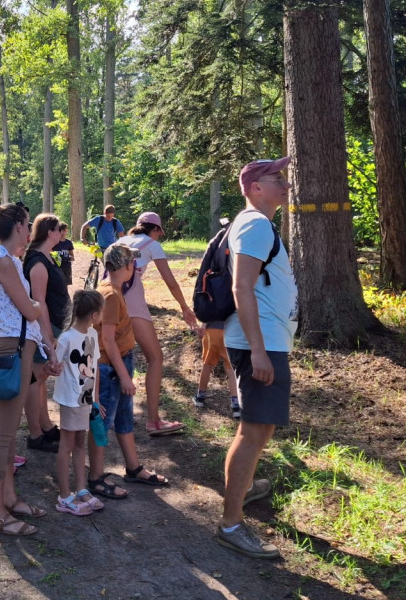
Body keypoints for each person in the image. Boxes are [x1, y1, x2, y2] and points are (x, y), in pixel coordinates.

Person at [217, 157, 296, 560]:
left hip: (265, 342)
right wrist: (260, 350)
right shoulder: (254, 224)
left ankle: (242, 487)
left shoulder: (259, 225)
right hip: (257, 345)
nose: (284, 182)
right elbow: (241, 287)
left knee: (260, 429)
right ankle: (231, 524)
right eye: (275, 178)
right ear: (254, 187)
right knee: (252, 431)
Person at [0, 203, 56, 537]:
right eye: (27, 226)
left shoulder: (7, 260)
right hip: (9, 349)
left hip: (19, 348)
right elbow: (29, 310)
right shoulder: (1, 261)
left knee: (9, 434)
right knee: (2, 435)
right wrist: (41, 304)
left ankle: (9, 499)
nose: (30, 232)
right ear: (18, 227)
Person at [87, 243, 170, 502]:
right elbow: (108, 341)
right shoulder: (110, 295)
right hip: (110, 369)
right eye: (133, 262)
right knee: (101, 422)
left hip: (119, 364)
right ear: (127, 266)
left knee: (124, 419)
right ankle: (96, 477)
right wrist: (123, 376)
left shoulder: (112, 290)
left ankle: (133, 467)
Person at [115, 211, 198, 436]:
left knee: (114, 356)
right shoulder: (152, 244)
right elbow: (170, 281)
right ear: (157, 230)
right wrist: (184, 307)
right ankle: (154, 421)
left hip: (107, 299)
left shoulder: (121, 241)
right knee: (155, 358)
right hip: (132, 301)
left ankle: (108, 415)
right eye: (160, 231)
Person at [54, 290, 106, 516]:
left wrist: (95, 399)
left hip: (84, 400)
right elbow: (54, 364)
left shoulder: (92, 335)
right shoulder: (67, 338)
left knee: (79, 444)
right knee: (66, 446)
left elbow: (93, 368)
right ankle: (64, 496)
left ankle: (81, 489)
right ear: (94, 314)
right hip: (69, 400)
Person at [23, 214, 67, 453]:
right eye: (59, 229)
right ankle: (35, 434)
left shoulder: (46, 257)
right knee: (36, 379)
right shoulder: (38, 262)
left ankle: (46, 426)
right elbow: (40, 302)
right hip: (43, 329)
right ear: (50, 232)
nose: (62, 233)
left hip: (53, 326)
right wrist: (48, 335)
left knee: (40, 380)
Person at [193, 322, 241, 419]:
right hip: (229, 332)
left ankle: (200, 397)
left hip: (211, 331)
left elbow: (206, 313)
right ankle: (236, 405)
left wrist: (203, 327)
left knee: (207, 364)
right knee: (231, 369)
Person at [54, 222, 74, 286]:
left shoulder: (68, 242)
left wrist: (70, 257)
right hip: (57, 266)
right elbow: (50, 252)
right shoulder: (55, 242)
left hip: (66, 266)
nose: (64, 232)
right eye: (62, 230)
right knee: (57, 283)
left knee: (65, 284)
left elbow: (72, 255)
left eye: (65, 230)